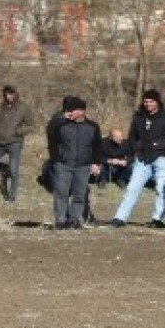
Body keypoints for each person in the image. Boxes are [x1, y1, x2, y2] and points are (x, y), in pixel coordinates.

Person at [108, 89, 165, 228]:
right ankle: (120, 218)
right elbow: (132, 137)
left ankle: (157, 219)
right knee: (132, 188)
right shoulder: (139, 116)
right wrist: (136, 151)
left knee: (161, 189)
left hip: (162, 158)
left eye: (151, 101)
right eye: (146, 101)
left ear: (157, 102)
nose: (148, 104)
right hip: (142, 159)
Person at [47, 96, 103, 229]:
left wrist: (95, 163)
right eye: (67, 110)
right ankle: (60, 220)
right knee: (61, 193)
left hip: (83, 166)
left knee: (79, 194)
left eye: (72, 110)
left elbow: (97, 146)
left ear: (82, 111)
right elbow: (52, 141)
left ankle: (74, 220)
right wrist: (56, 160)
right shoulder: (60, 124)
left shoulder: (93, 127)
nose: (68, 113)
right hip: (63, 164)